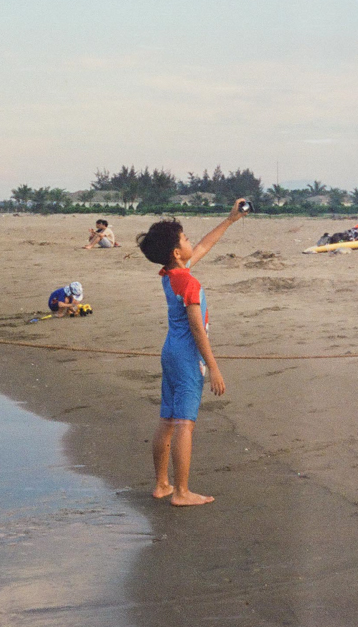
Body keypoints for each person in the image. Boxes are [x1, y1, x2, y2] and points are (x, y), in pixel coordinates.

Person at [137, 200, 248, 507]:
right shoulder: (189, 282)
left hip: (170, 353)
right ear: (175, 253)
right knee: (185, 423)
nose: (190, 243)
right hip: (187, 357)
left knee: (167, 419)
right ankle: (182, 492)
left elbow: (202, 246)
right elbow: (197, 328)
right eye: (184, 240)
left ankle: (162, 484)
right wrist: (213, 367)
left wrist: (230, 220)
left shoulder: (171, 274)